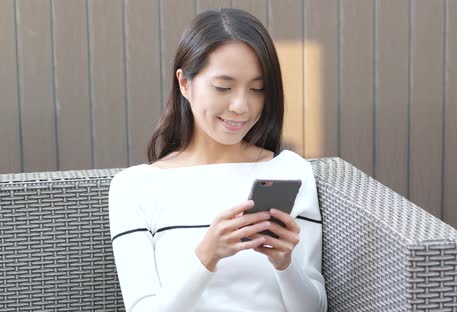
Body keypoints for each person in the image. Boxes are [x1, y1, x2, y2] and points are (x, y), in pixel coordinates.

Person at [108, 8, 327, 312]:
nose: (241, 106)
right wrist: (207, 256)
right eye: (223, 87)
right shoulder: (135, 187)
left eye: (257, 89)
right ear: (185, 84)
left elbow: (313, 309)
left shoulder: (289, 171)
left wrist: (285, 264)